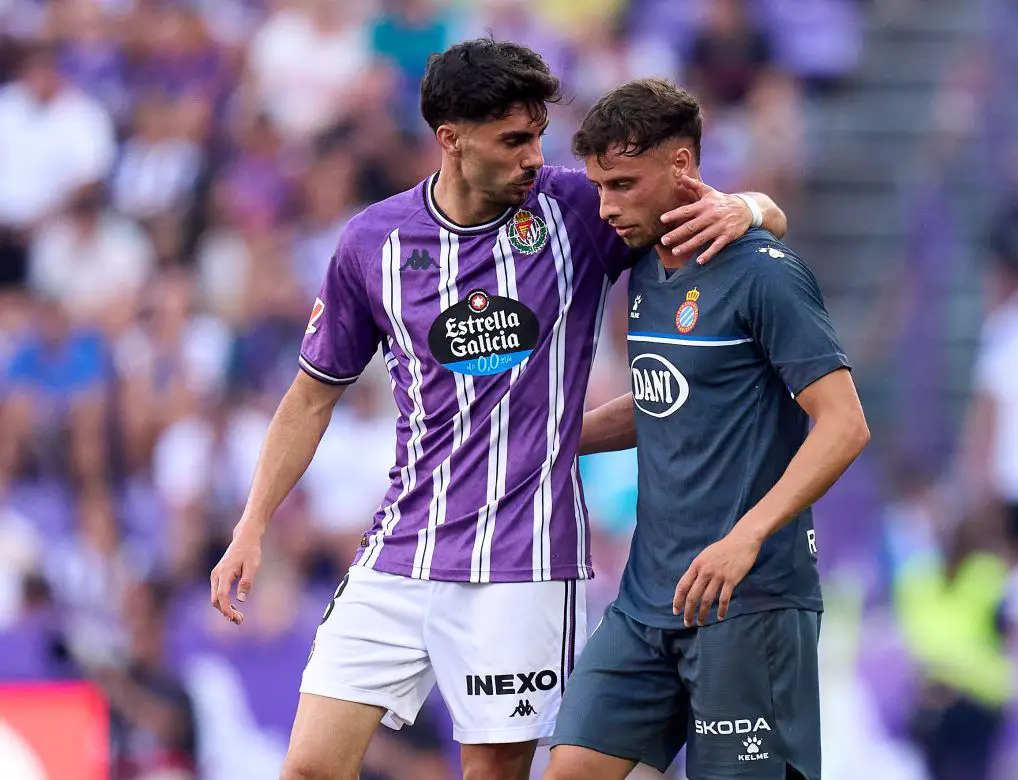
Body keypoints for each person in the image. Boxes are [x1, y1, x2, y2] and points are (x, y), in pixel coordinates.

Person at [207, 40, 790, 780]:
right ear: (451, 139)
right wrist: (252, 524)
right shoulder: (373, 243)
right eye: (514, 140)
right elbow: (311, 396)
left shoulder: (576, 212)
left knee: (491, 774)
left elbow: (753, 214)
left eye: (538, 136)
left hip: (526, 561)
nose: (534, 158)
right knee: (309, 768)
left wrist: (748, 207)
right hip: (401, 547)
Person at [544, 78, 870, 780]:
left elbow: (845, 426)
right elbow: (664, 398)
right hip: (647, 599)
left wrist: (746, 537)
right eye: (599, 186)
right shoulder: (643, 269)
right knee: (569, 770)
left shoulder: (764, 275)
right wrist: (548, 443)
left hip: (748, 599)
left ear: (683, 165)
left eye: (623, 184)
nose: (607, 207)